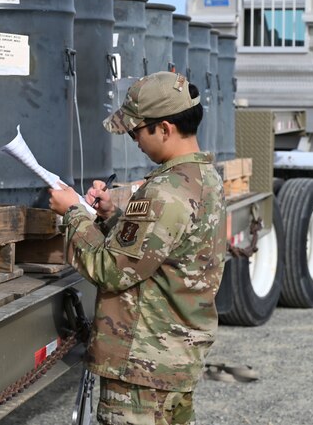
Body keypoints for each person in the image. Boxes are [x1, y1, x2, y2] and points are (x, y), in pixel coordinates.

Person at [49, 71, 226, 425]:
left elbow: (110, 270)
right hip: (173, 359)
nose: (133, 140)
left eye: (136, 131)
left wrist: (72, 214)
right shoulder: (203, 178)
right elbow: (161, 253)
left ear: (164, 128)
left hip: (142, 368)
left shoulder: (165, 191)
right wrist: (113, 216)